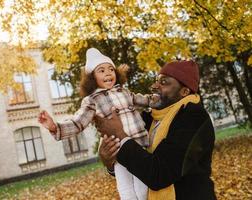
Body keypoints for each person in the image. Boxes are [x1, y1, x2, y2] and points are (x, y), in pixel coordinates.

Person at [38, 48, 157, 200]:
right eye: (101, 70)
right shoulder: (92, 100)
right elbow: (78, 122)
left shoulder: (125, 92)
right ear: (92, 78)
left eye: (111, 69)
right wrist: (55, 127)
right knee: (126, 193)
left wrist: (158, 99)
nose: (108, 73)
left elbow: (145, 100)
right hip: (117, 152)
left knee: (142, 191)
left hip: (139, 146)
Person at [97, 60, 216, 200]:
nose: (154, 86)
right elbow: (139, 165)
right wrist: (110, 162)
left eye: (164, 82)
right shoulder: (149, 118)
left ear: (184, 91)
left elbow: (159, 174)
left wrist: (120, 134)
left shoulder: (194, 117)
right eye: (156, 81)